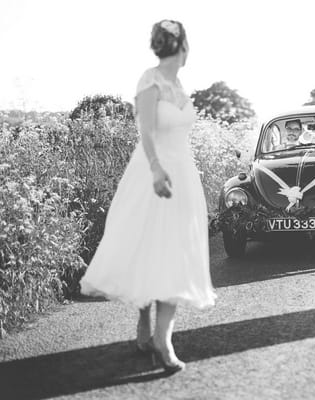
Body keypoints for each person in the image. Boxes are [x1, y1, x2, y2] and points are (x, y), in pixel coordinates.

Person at [79, 19, 216, 372]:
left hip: (184, 175)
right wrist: (156, 168)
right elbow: (147, 131)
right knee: (147, 245)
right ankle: (144, 316)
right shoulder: (149, 79)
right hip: (152, 171)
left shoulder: (180, 84)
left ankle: (163, 338)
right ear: (182, 47)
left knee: (176, 252)